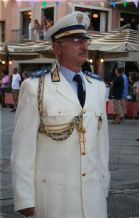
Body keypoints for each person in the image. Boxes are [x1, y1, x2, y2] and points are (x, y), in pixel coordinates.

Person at [11, 11, 110, 218]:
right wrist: (25, 197)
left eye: (85, 40)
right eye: (75, 40)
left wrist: (104, 183)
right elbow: (22, 149)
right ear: (56, 48)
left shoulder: (98, 87)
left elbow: (102, 144)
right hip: (56, 198)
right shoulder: (35, 87)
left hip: (94, 197)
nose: (84, 46)